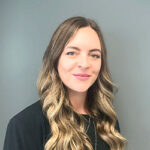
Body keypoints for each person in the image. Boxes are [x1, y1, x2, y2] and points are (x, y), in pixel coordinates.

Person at [3, 16, 127, 150]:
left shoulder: (107, 122)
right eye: (72, 53)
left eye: (94, 55)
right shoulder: (24, 125)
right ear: (55, 60)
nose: (84, 64)